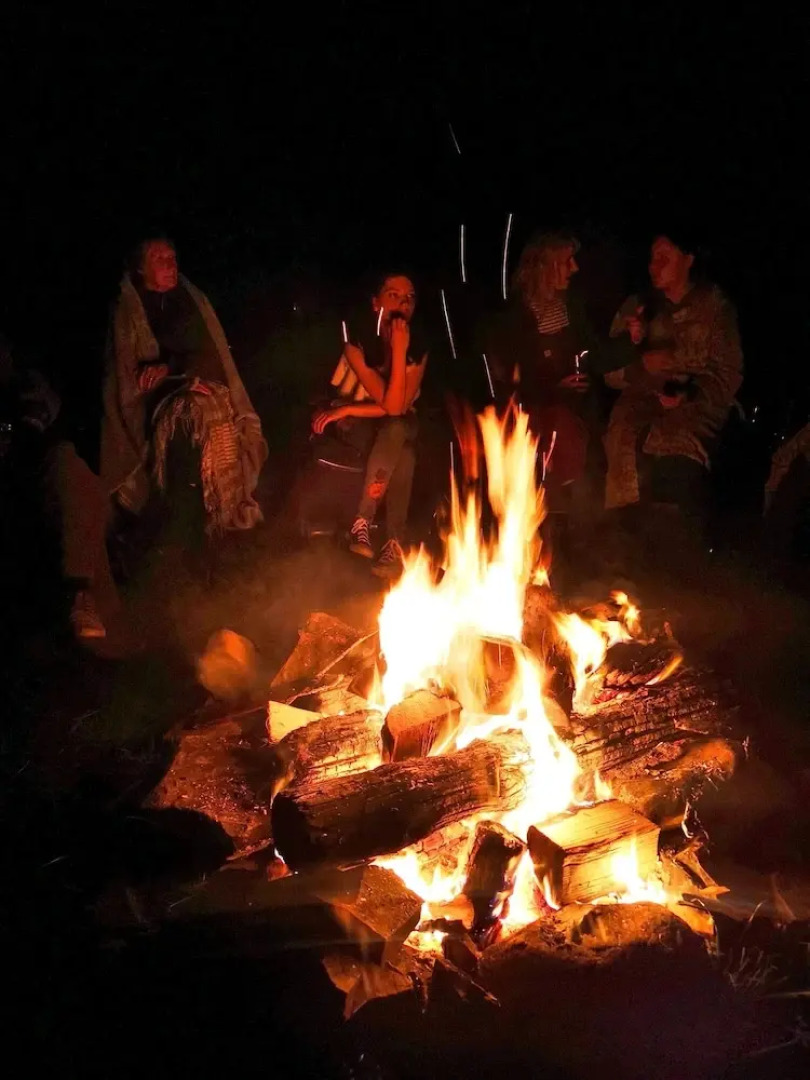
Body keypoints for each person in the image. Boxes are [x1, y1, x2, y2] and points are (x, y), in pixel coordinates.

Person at [100, 237, 268, 544]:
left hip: (196, 383)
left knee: (196, 414)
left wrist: (173, 369)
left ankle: (205, 519)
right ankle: (170, 522)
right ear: (139, 267)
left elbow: (209, 352)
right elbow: (123, 372)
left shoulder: (190, 300)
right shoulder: (127, 307)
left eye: (172, 257)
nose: (170, 264)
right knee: (181, 419)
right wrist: (161, 377)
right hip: (150, 400)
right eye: (159, 258)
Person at [487, 231, 636, 505]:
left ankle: (579, 527)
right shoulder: (514, 319)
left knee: (577, 437)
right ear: (544, 266)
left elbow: (598, 356)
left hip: (575, 414)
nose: (575, 268)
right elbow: (506, 382)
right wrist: (553, 388)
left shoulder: (571, 308)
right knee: (555, 431)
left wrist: (633, 341)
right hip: (531, 419)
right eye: (567, 261)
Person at [604, 234, 743, 514]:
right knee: (624, 443)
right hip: (635, 417)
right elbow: (608, 372)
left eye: (664, 259)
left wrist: (689, 391)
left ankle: (676, 537)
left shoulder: (714, 308)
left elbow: (729, 374)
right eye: (652, 259)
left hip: (695, 415)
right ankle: (621, 543)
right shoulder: (637, 306)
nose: (654, 266)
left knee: (675, 464)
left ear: (688, 260)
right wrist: (638, 362)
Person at [311, 272, 428, 577]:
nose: (403, 304)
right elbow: (392, 406)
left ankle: (363, 525)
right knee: (405, 449)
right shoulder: (357, 341)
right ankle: (391, 539)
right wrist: (346, 409)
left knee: (400, 428)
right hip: (356, 425)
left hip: (387, 422)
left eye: (409, 297)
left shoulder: (418, 345)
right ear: (376, 304)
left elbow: (396, 407)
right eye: (393, 295)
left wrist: (401, 351)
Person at [1, 333, 116, 639]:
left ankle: (84, 598)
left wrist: (23, 428)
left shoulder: (23, 382)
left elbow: (34, 412)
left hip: (25, 464)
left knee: (73, 472)